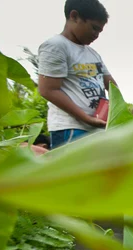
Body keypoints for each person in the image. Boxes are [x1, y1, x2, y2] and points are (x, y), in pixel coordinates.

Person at [37, 0, 117, 149]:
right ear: (74, 16)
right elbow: (48, 90)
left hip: (96, 127)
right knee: (75, 172)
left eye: (100, 31)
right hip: (71, 128)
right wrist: (86, 118)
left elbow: (112, 86)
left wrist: (116, 110)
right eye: (94, 28)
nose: (96, 35)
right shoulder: (56, 46)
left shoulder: (93, 54)